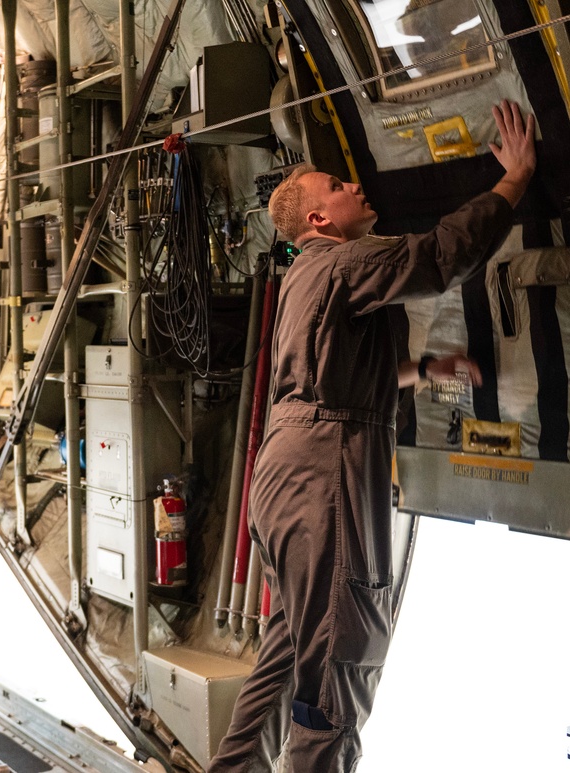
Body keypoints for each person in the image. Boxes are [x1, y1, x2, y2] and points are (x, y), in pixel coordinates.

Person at [208, 99, 536, 772]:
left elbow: (338, 377)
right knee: (337, 664)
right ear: (321, 219)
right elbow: (442, 257)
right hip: (324, 473)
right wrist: (514, 182)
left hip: (284, 476)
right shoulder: (344, 262)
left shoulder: (307, 276)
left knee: (289, 650)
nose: (355, 185)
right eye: (338, 185)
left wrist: (424, 369)